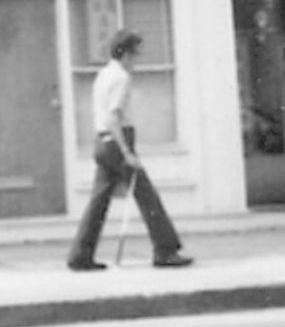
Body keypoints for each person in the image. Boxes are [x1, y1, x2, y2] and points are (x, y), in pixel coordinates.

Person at [67, 30, 194, 271]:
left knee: (98, 202)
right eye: (135, 55)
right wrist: (127, 152)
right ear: (125, 54)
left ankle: (80, 255)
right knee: (147, 197)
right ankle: (165, 250)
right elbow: (114, 117)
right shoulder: (121, 79)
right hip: (117, 142)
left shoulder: (103, 75)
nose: (136, 61)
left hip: (102, 143)